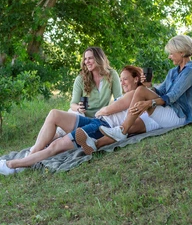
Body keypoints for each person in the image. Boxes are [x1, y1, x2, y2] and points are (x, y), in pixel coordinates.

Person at [0, 66, 157, 175]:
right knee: (54, 114)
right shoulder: (128, 94)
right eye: (121, 79)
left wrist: (146, 85)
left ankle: (13, 165)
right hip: (95, 121)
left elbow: (109, 110)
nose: (121, 83)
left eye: (125, 79)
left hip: (102, 127)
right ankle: (29, 158)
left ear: (137, 79)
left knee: (55, 146)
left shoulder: (137, 93)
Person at [91, 34, 192, 151]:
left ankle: (121, 130)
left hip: (181, 117)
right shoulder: (173, 72)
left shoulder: (190, 72)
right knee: (132, 123)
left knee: (140, 91)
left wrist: (149, 103)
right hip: (169, 110)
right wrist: (148, 86)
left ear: (182, 53)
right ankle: (96, 144)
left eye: (171, 53)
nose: (169, 56)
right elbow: (160, 91)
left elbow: (172, 96)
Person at [53, 46, 121, 138]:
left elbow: (119, 99)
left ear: (99, 59)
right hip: (82, 116)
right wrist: (78, 108)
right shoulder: (80, 79)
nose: (86, 62)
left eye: (90, 58)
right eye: (85, 59)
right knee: (71, 118)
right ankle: (41, 146)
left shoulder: (112, 75)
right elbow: (73, 104)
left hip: (100, 118)